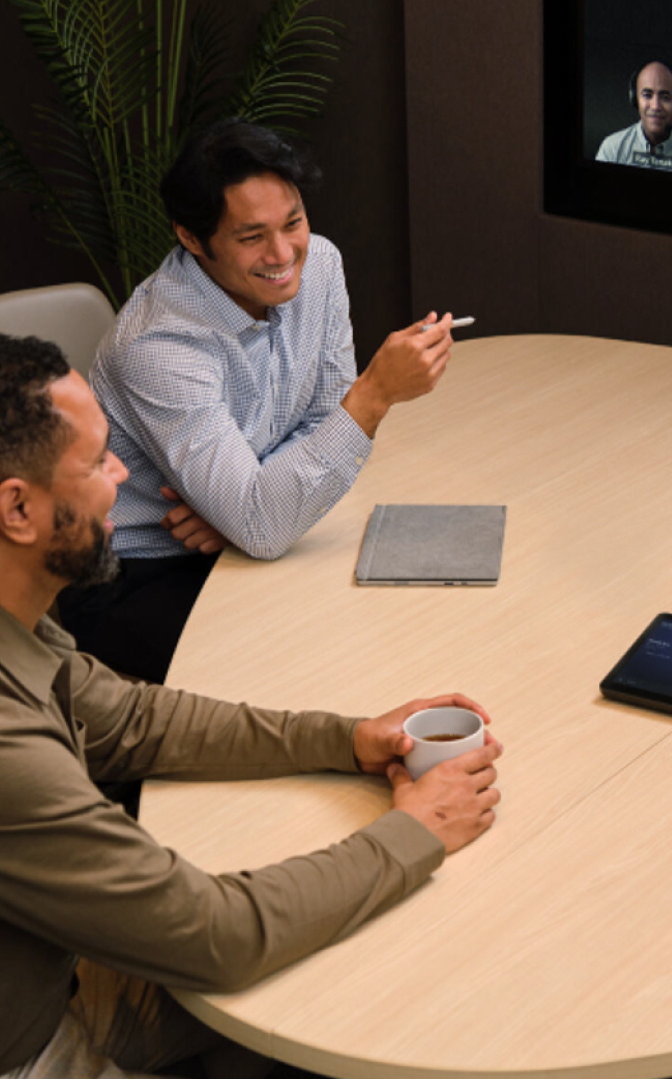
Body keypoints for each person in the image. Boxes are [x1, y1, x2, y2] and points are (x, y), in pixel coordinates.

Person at [0, 334, 504, 1079]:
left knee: (356, 972)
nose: (122, 477)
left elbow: (128, 721)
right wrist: (417, 830)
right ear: (17, 509)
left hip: (10, 984)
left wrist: (343, 738)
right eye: (96, 462)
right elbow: (219, 935)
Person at [61, 118, 458, 684]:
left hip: (236, 537)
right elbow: (281, 501)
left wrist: (243, 516)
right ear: (192, 238)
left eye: (292, 222)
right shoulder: (159, 343)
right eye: (251, 238)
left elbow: (321, 422)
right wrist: (374, 394)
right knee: (304, 662)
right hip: (139, 570)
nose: (282, 254)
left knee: (397, 616)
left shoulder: (317, 265)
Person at [595, 61, 672, 176]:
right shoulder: (612, 149)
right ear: (635, 99)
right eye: (647, 95)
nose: (656, 106)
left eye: (665, 97)